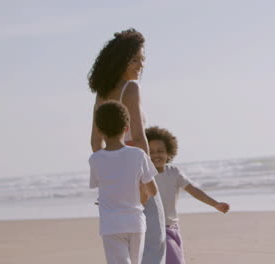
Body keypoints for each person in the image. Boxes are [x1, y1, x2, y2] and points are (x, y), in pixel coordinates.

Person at [88, 28, 166, 264]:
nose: (140, 65)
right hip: (139, 171)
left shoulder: (101, 94)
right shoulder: (130, 89)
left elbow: (95, 143)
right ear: (121, 59)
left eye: (143, 60)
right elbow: (141, 140)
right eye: (135, 59)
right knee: (155, 240)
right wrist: (143, 184)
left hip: (116, 181)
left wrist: (113, 172)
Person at [145, 126, 230, 264]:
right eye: (151, 152)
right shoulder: (145, 175)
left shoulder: (174, 172)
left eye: (160, 151)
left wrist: (215, 204)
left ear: (169, 152)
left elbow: (194, 190)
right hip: (152, 229)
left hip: (171, 227)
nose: (156, 155)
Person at [89, 101, 158, 264]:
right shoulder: (139, 154)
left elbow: (100, 186)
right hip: (135, 222)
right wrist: (142, 194)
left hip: (111, 225)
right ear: (126, 128)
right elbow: (153, 190)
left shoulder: (95, 159)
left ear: (98, 130)